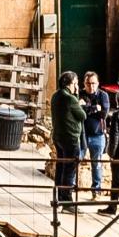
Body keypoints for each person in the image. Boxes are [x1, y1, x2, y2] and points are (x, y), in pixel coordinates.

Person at [48, 73, 86, 205]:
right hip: (70, 138)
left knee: (60, 167)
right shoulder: (70, 99)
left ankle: (58, 197)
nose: (77, 86)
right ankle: (67, 201)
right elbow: (82, 116)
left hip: (58, 137)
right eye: (75, 83)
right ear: (70, 84)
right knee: (69, 169)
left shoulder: (55, 96)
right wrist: (78, 100)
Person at [79, 71, 110, 194]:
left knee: (96, 164)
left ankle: (96, 191)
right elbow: (78, 112)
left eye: (93, 83)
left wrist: (86, 108)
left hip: (98, 134)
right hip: (82, 134)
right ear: (84, 84)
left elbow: (104, 114)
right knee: (76, 160)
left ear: (98, 84)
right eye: (88, 83)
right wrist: (94, 108)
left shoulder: (103, 96)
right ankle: (72, 189)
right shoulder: (80, 94)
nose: (91, 86)